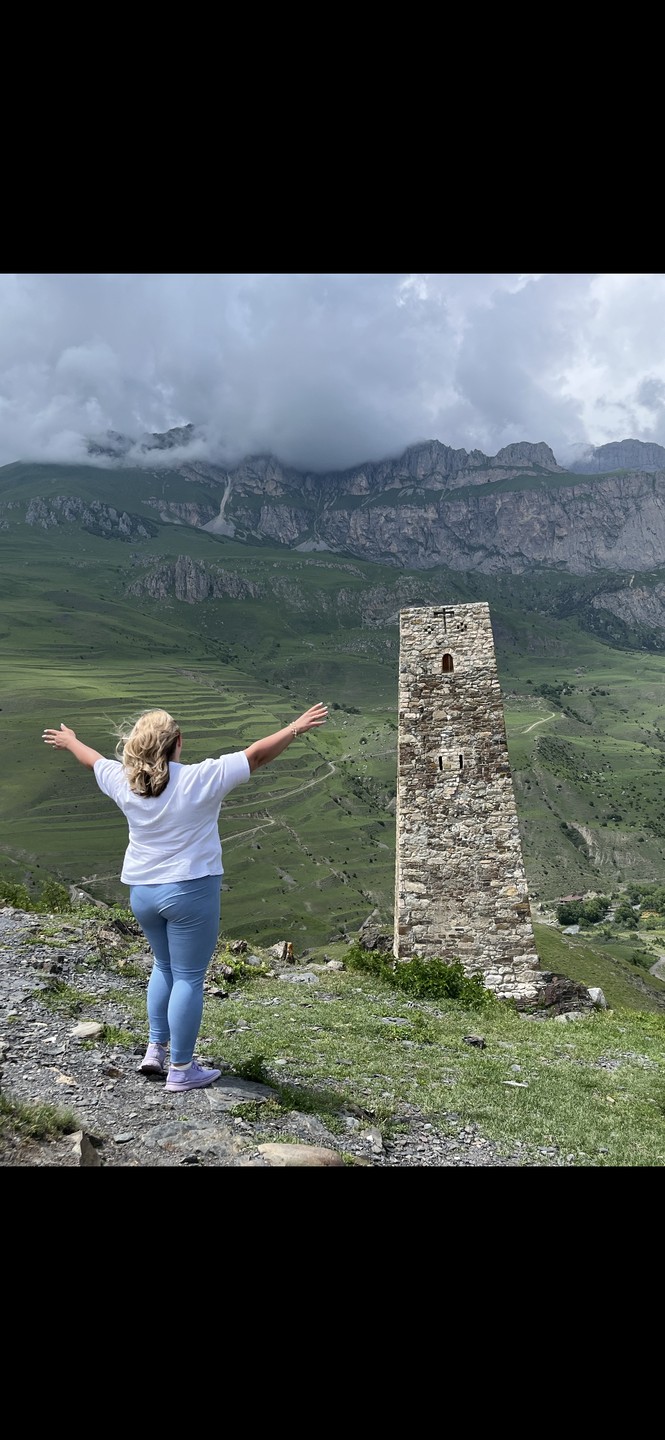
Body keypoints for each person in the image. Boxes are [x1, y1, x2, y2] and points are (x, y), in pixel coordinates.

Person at [42, 702, 328, 1092]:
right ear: (178, 743)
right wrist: (296, 727)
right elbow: (256, 755)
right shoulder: (199, 779)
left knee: (163, 967)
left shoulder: (125, 782)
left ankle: (155, 1051)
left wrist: (71, 740)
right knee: (190, 978)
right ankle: (181, 1069)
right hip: (190, 891)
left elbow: (92, 760)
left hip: (142, 892)